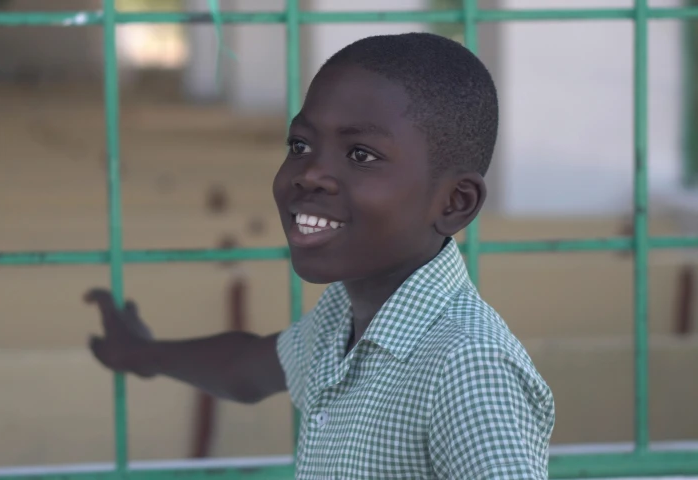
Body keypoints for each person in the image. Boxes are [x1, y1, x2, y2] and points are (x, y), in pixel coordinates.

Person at [83, 32, 555, 479]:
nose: (309, 174)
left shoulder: (468, 366)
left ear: (454, 203)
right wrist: (142, 353)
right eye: (301, 145)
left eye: (361, 155)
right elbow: (245, 368)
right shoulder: (342, 321)